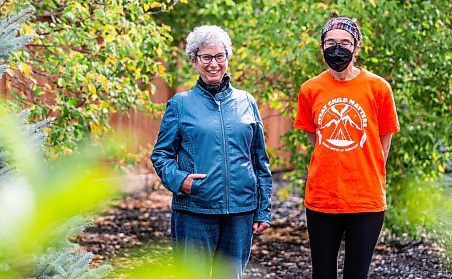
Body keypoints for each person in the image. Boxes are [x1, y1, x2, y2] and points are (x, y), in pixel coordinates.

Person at [151, 25, 272, 278]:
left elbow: (260, 160)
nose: (213, 64)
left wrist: (263, 210)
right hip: (195, 210)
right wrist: (180, 181)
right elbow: (161, 155)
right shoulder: (180, 105)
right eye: (206, 57)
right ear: (194, 61)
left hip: (241, 212)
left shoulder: (246, 101)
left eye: (219, 56)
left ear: (227, 58)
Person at [293, 17, 400, 279]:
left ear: (357, 48)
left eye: (344, 43)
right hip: (322, 199)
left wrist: (365, 167)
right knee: (323, 273)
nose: (337, 48)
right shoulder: (310, 89)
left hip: (366, 200)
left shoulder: (378, 88)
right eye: (330, 42)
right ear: (321, 47)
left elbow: (383, 141)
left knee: (357, 274)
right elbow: (315, 137)